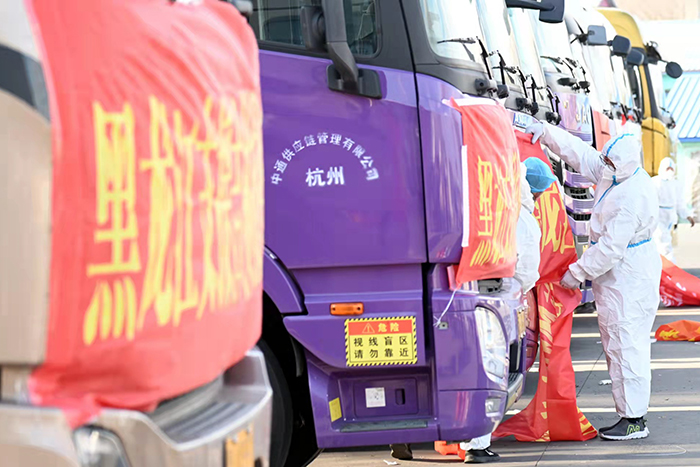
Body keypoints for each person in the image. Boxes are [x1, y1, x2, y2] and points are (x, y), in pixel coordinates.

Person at [527, 121, 661, 440]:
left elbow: (611, 249)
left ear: (623, 164)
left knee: (626, 344)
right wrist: (545, 131)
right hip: (623, 273)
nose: (605, 165)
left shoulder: (631, 195)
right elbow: (581, 154)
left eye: (610, 162)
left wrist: (577, 273)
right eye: (606, 159)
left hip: (628, 274)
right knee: (619, 342)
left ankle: (633, 419)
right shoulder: (616, 171)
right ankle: (630, 413)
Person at [456, 158, 557, 464]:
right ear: (536, 191)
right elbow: (527, 270)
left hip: (469, 292)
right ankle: (477, 445)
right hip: (500, 297)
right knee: (493, 369)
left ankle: (466, 437)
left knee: (470, 366)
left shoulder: (497, 204)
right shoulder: (525, 220)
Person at [652, 157, 695, 262]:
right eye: (668, 168)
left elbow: (680, 203)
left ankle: (666, 264)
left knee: (665, 240)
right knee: (660, 241)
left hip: (670, 216)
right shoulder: (654, 182)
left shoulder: (676, 184)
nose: (670, 171)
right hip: (657, 215)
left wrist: (687, 215)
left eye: (672, 169)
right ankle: (666, 264)